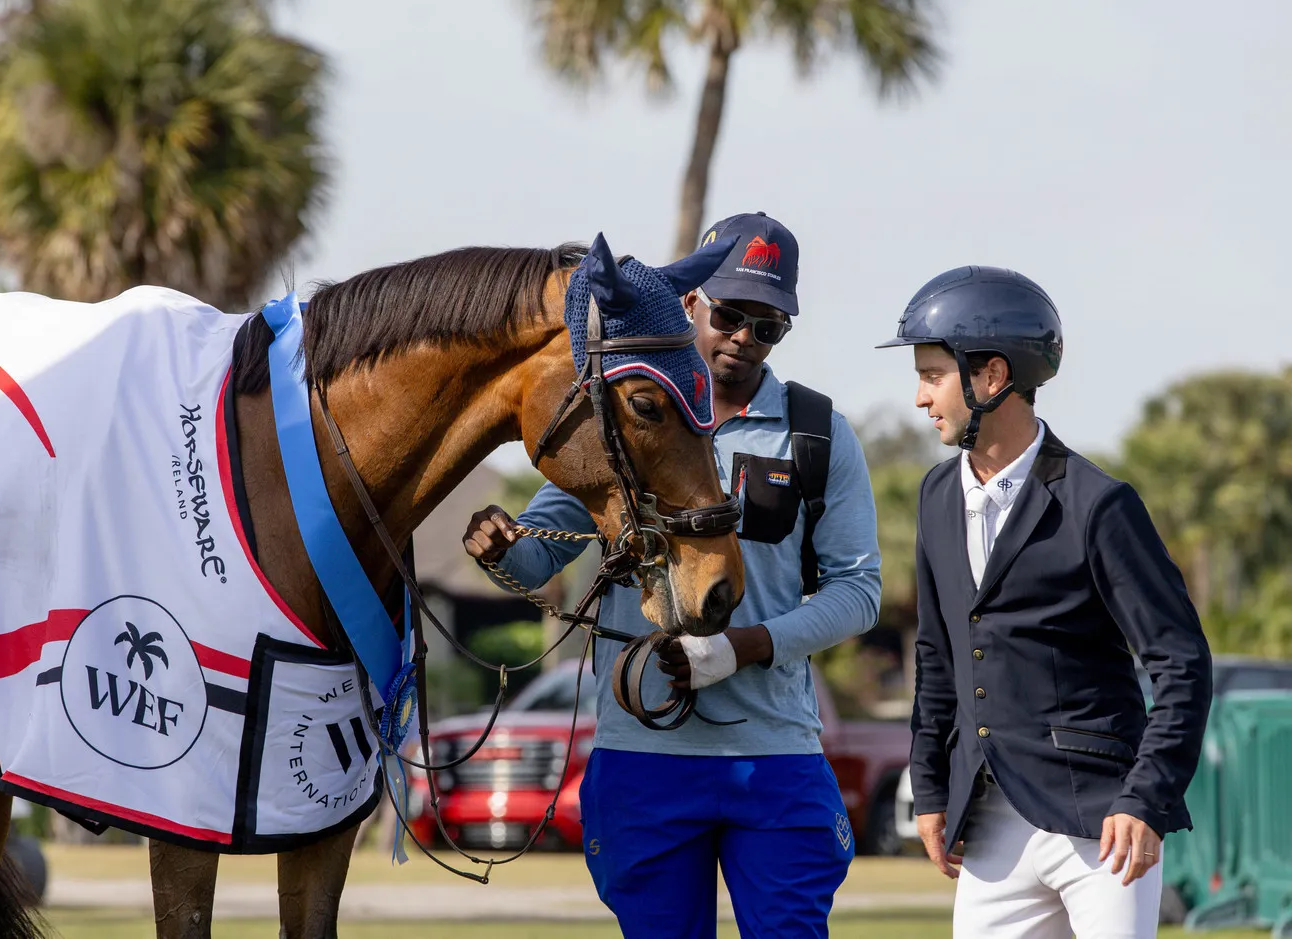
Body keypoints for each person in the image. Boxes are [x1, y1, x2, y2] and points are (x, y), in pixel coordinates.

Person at [462, 212, 881, 939]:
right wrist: (500, 548)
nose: (744, 336)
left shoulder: (814, 431)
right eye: (730, 313)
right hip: (644, 758)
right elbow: (539, 559)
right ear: (691, 304)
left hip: (776, 756)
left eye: (768, 324)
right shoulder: (617, 417)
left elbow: (858, 591)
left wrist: (744, 646)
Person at [876, 266, 1213, 938]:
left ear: (992, 376)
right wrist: (933, 788)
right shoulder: (936, 497)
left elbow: (1181, 661)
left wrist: (1144, 798)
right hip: (991, 827)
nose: (919, 398)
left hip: (1102, 824)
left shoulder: (1099, 504)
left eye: (932, 374)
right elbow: (937, 653)